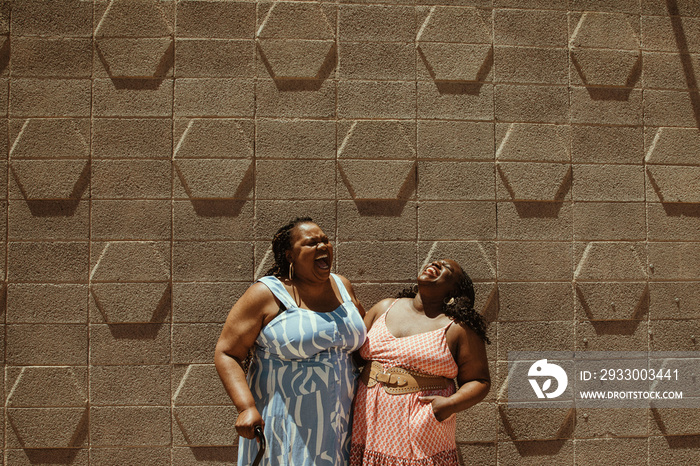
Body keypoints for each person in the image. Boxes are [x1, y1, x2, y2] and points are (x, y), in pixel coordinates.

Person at [215, 217, 367, 466]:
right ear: (289, 256)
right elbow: (227, 353)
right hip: (284, 425)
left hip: (343, 421)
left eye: (325, 240)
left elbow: (360, 343)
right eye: (310, 243)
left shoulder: (343, 286)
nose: (322, 246)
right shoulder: (267, 294)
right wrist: (245, 407)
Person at [349, 259, 491, 465]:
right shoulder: (384, 307)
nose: (437, 263)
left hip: (420, 424)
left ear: (454, 292)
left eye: (447, 268)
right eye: (436, 260)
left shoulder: (458, 328)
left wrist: (447, 406)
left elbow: (480, 381)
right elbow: (352, 355)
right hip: (368, 422)